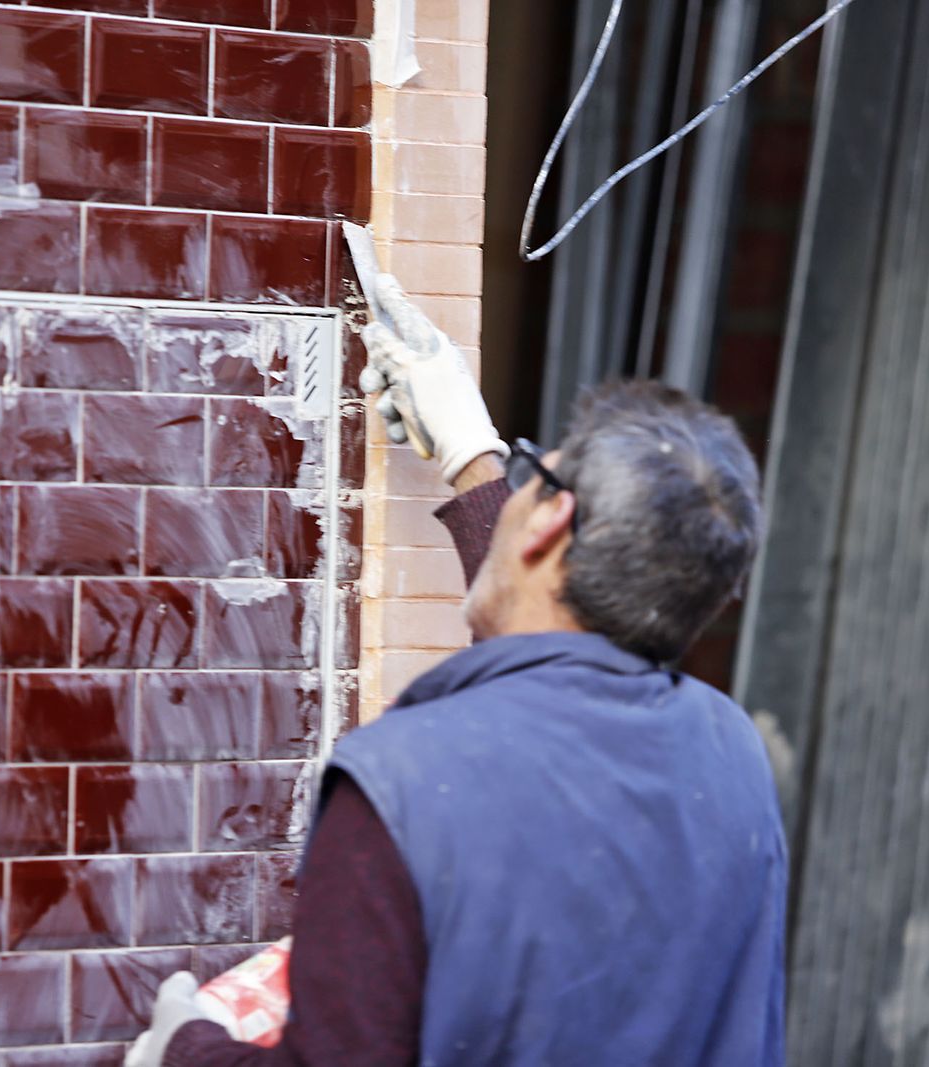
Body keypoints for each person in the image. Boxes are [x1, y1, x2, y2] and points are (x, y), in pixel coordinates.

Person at [127, 277, 787, 1066]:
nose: (515, 490)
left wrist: (183, 1047)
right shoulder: (732, 759)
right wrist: (473, 456)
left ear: (550, 518)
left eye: (531, 474)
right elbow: (549, 686)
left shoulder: (401, 783)